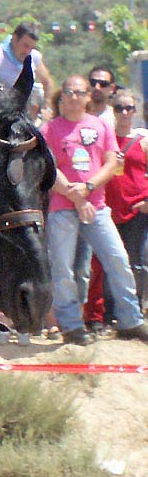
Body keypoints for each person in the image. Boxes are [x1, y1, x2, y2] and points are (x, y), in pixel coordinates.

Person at [41, 75, 148, 345]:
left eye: (79, 92)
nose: (74, 96)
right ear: (61, 95)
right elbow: (47, 168)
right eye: (69, 91)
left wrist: (87, 188)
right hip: (63, 208)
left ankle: (130, 320)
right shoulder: (49, 129)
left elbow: (111, 162)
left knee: (118, 260)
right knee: (63, 269)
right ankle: (71, 326)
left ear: (88, 96)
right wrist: (76, 197)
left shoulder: (100, 125)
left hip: (97, 207)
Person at [105, 91, 148, 315]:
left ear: (135, 111)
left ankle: (135, 311)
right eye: (119, 107)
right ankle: (110, 312)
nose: (124, 112)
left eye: (128, 108)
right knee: (111, 263)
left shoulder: (144, 141)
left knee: (136, 264)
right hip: (109, 209)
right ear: (113, 110)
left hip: (136, 210)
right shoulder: (106, 139)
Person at [0, 23, 54, 98]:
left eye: (31, 48)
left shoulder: (34, 57)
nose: (28, 52)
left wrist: (46, 104)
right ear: (14, 39)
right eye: (25, 46)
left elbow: (47, 82)